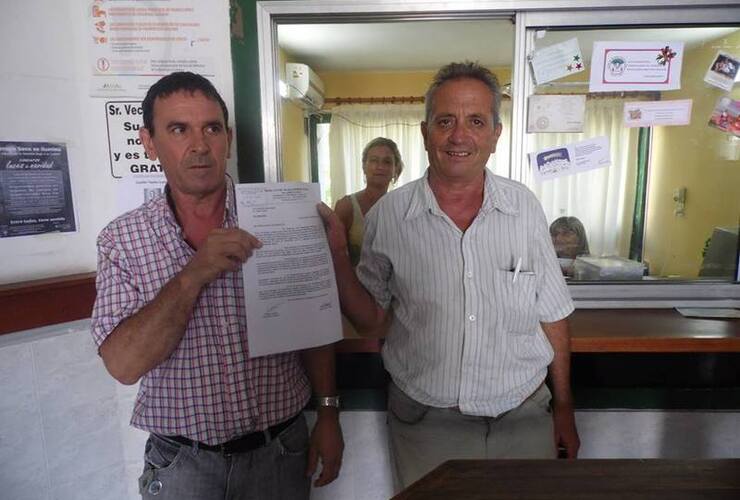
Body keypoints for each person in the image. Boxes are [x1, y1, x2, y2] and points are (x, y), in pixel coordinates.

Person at [319, 61, 579, 490]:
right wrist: (335, 254)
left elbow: (552, 313)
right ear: (425, 133)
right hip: (426, 425)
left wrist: (565, 407)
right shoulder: (389, 217)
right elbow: (372, 321)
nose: (460, 136)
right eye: (445, 121)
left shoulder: (525, 208)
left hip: (524, 417)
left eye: (476, 121)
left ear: (495, 135)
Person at [90, 72, 343, 500]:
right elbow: (124, 365)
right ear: (148, 143)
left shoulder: (279, 217)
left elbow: (311, 326)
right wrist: (194, 274)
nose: (199, 145)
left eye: (211, 128)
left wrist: (329, 414)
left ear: (227, 138)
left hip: (280, 450)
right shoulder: (122, 239)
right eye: (178, 129)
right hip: (182, 464)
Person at [334, 137, 404, 267]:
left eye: (387, 162)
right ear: (364, 167)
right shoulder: (346, 206)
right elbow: (334, 256)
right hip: (353, 285)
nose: (380, 166)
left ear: (395, 170)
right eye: (373, 160)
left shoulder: (403, 208)